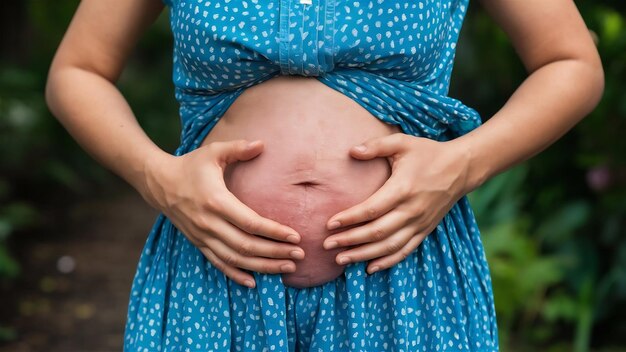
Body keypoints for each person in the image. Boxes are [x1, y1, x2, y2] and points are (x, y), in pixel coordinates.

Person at [45, 0, 604, 350]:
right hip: (216, 272)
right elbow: (78, 71)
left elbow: (570, 62)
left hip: (402, 276)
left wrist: (461, 164)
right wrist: (158, 177)